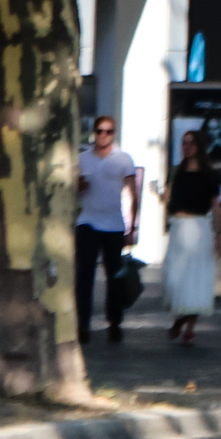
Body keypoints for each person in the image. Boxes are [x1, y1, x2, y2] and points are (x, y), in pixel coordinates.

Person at [74, 115, 142, 344]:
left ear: (114, 133)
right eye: (100, 131)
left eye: (108, 131)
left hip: (113, 224)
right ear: (93, 132)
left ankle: (114, 322)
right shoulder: (82, 158)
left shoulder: (123, 159)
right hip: (87, 221)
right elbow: (70, 188)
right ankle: (82, 324)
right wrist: (78, 186)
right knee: (84, 275)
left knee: (114, 276)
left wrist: (132, 227)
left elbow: (133, 193)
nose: (103, 135)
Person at [163, 127, 221, 346]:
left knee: (197, 279)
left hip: (199, 226)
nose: (187, 147)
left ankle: (189, 326)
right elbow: (170, 199)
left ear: (199, 146)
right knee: (175, 278)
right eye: (184, 143)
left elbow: (216, 206)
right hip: (179, 227)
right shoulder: (176, 171)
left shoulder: (209, 174)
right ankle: (181, 316)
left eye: (191, 143)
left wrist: (219, 235)